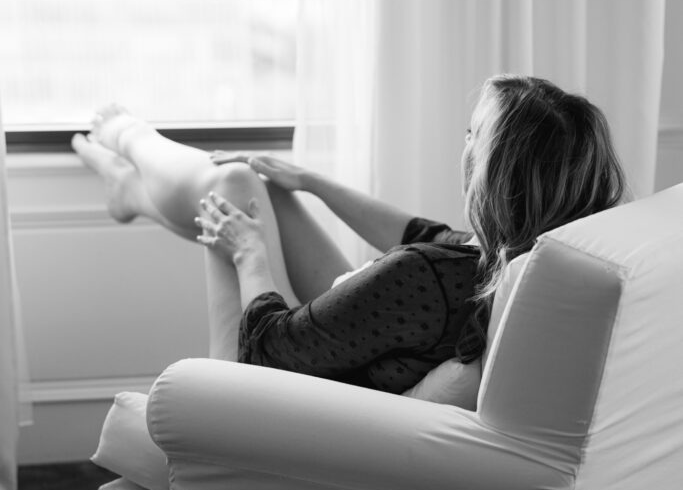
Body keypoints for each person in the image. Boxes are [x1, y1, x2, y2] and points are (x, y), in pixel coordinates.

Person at [71, 75, 628, 394]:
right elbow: (431, 233)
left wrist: (249, 254)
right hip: (350, 350)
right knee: (272, 188)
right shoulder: (531, 259)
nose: (462, 148)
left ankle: (127, 136)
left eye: (471, 137)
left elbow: (266, 349)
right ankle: (135, 191)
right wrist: (314, 182)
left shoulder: (425, 279)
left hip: (258, 387)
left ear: (492, 173)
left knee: (234, 184)